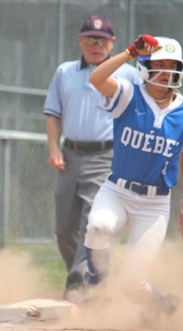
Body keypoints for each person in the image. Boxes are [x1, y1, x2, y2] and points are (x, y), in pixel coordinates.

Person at [83, 34, 183, 320]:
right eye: (160, 64)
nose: (167, 72)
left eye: (173, 65)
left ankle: (163, 307)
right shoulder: (129, 94)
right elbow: (96, 78)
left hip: (155, 206)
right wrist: (130, 52)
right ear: (144, 67)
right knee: (99, 225)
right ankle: (96, 289)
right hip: (117, 191)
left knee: (132, 284)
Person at [43, 15, 141, 302]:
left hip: (107, 156)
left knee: (92, 222)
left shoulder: (128, 74)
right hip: (69, 155)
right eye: (90, 38)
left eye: (102, 39)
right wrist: (54, 149)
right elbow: (53, 114)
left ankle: (78, 284)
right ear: (80, 41)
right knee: (63, 229)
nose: (95, 44)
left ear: (113, 43)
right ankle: (96, 279)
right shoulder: (65, 72)